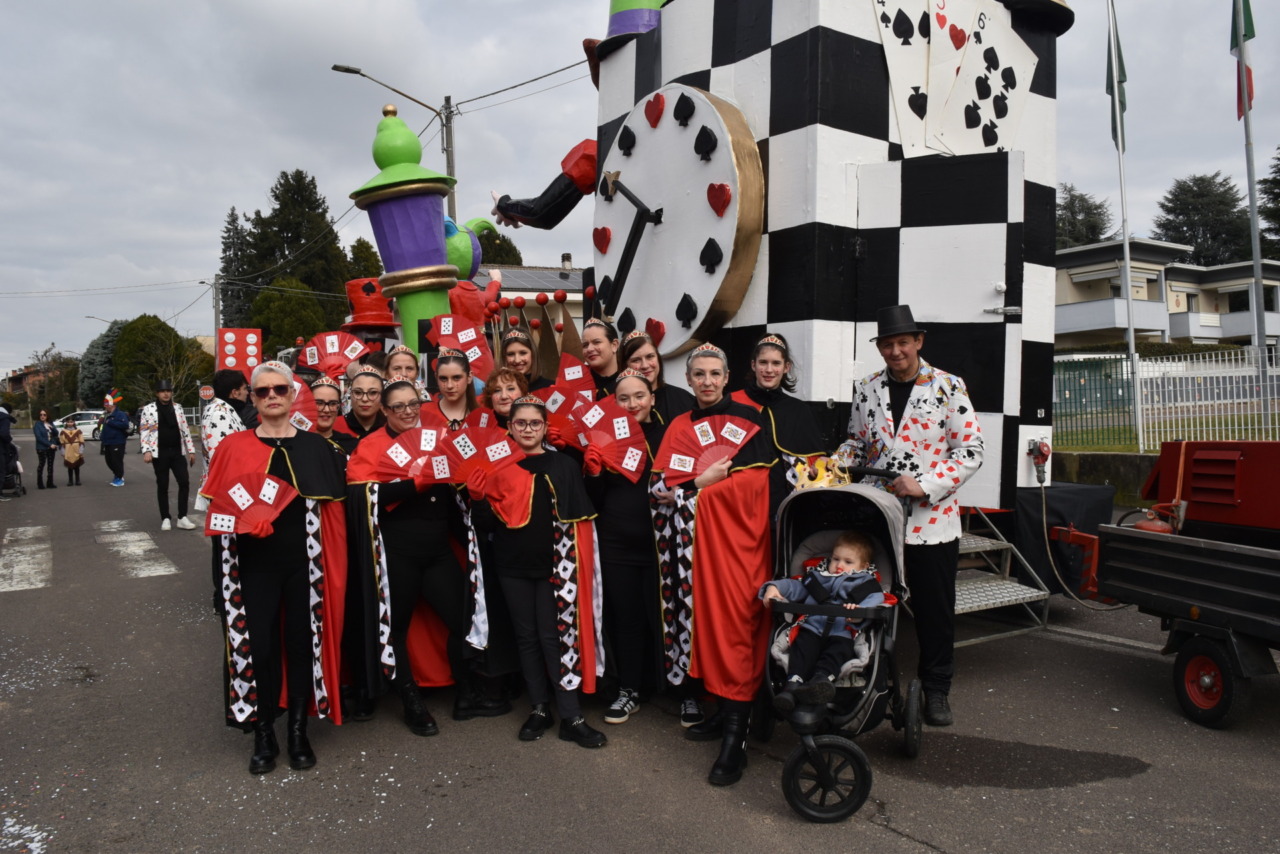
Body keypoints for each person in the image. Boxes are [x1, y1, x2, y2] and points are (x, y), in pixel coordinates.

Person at [833, 305, 984, 728]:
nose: (895, 351)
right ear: (879, 347)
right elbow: (856, 443)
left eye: (903, 342)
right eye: (887, 344)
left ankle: (936, 690)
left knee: (935, 613)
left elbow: (970, 451)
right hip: (878, 519)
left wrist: (927, 484)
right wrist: (835, 463)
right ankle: (865, 680)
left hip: (932, 523)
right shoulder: (866, 388)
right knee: (868, 605)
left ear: (918, 342)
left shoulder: (949, 386)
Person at [201, 361, 348, 774]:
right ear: (252, 396)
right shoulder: (233, 447)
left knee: (302, 644)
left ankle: (298, 731)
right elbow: (219, 514)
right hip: (253, 564)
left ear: (291, 393)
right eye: (262, 391)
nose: (271, 397)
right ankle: (264, 731)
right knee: (259, 647)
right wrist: (243, 531)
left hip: (305, 565)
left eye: (278, 389)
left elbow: (336, 513)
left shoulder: (317, 447)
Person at [346, 377, 505, 736]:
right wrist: (410, 485)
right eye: (398, 406)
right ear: (385, 410)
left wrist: (473, 491)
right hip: (397, 554)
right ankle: (410, 701)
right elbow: (360, 499)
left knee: (462, 620)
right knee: (395, 629)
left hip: (436, 551)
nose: (407, 411)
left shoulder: (438, 439)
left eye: (413, 404)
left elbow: (458, 487)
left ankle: (465, 694)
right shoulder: (370, 446)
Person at [650, 344, 775, 786]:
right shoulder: (679, 426)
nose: (706, 381)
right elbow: (659, 483)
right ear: (689, 380)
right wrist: (693, 485)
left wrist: (693, 492)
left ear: (727, 377)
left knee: (736, 630)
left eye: (714, 373)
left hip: (737, 549)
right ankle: (723, 714)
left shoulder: (750, 419)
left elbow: (755, 487)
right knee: (704, 628)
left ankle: (736, 743)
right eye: (698, 374)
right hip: (689, 552)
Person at [470, 396, 607, 748]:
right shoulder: (496, 465)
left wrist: (592, 473)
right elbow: (485, 525)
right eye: (520, 423)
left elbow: (581, 512)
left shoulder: (562, 464)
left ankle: (571, 714)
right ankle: (539, 708)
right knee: (526, 638)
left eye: (535, 423)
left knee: (556, 637)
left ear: (545, 427)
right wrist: (478, 497)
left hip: (555, 568)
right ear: (509, 427)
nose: (528, 429)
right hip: (511, 565)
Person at [584, 368, 668, 725]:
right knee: (627, 619)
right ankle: (629, 689)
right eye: (623, 398)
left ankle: (682, 692)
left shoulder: (670, 433)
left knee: (669, 618)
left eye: (639, 396)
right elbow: (592, 501)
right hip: (616, 542)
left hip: (662, 544)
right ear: (613, 402)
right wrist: (594, 473)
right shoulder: (601, 436)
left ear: (652, 398)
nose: (632, 403)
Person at [760, 531, 886, 712]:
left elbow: (877, 597)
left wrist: (859, 612)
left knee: (837, 653)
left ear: (864, 566)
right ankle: (791, 686)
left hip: (842, 632)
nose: (839, 565)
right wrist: (774, 587)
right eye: (835, 559)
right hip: (812, 628)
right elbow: (795, 586)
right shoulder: (817, 578)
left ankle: (821, 681)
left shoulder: (865, 583)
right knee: (801, 650)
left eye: (848, 562)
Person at [731, 333, 827, 519]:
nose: (769, 369)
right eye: (763, 362)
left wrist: (819, 469)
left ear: (786, 367)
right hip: (741, 502)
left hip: (783, 504)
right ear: (753, 365)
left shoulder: (799, 410)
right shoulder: (732, 403)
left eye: (776, 363)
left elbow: (816, 461)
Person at [140, 380, 197, 531]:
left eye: (168, 391)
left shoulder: (177, 408)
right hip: (160, 452)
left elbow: (185, 429)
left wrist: (191, 450)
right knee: (163, 484)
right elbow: (144, 430)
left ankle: (182, 517)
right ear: (157, 393)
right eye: (162, 391)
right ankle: (165, 517)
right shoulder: (149, 409)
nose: (166, 394)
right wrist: (146, 450)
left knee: (184, 481)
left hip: (177, 451)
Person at [197, 369, 250, 510]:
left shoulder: (221, 409)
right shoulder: (218, 413)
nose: (247, 393)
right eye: (245, 388)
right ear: (235, 392)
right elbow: (223, 458)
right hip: (226, 491)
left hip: (228, 489)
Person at [619, 331, 694, 424]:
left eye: (650, 356)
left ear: (658, 358)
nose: (645, 365)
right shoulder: (616, 407)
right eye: (636, 360)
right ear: (625, 366)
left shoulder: (683, 399)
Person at [426, 348, 478, 431]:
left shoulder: (482, 416)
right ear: (436, 377)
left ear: (469, 377)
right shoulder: (424, 413)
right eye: (443, 378)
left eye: (456, 378)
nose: (449, 385)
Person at [310, 376, 358, 455]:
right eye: (319, 403)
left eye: (332, 404)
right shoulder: (296, 443)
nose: (326, 410)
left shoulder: (351, 444)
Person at [341, 370, 387, 439]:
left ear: (382, 396)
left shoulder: (392, 429)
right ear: (350, 394)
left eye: (373, 392)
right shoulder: (335, 426)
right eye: (358, 392)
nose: (364, 399)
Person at [581, 319, 620, 398]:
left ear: (614, 345)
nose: (589, 349)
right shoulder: (576, 383)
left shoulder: (632, 382)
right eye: (585, 345)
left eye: (596, 342)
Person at [100, 393, 131, 487]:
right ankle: (117, 475)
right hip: (107, 442)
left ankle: (119, 477)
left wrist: (111, 422)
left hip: (117, 441)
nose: (105, 406)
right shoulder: (106, 415)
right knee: (109, 460)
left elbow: (125, 425)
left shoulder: (120, 414)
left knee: (116, 460)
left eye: (107, 404)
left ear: (112, 404)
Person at [33, 410, 59, 490]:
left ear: (47, 416)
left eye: (44, 414)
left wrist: (52, 428)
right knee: (42, 464)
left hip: (51, 447)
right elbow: (39, 437)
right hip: (42, 448)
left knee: (50, 465)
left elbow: (56, 433)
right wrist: (49, 444)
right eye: (41, 415)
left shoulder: (50, 423)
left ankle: (50, 483)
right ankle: (40, 483)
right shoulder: (37, 425)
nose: (42, 416)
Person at [59, 417, 85, 486]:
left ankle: (77, 480)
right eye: (68, 422)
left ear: (74, 423)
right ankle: (70, 480)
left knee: (77, 466)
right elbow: (62, 442)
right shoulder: (63, 431)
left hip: (76, 450)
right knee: (69, 466)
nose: (70, 423)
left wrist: (81, 450)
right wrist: (63, 451)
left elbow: (81, 441)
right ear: (66, 423)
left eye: (71, 422)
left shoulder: (78, 431)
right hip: (68, 450)